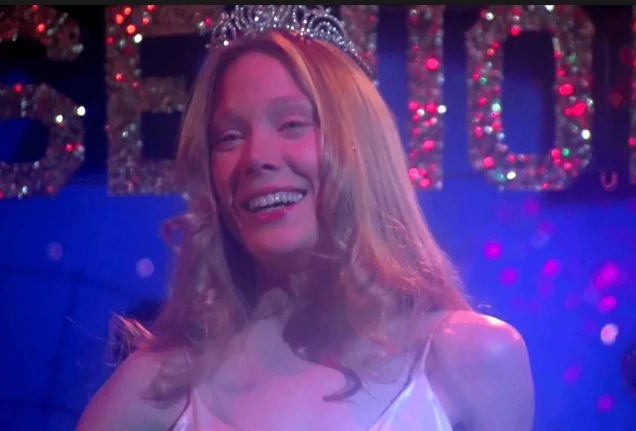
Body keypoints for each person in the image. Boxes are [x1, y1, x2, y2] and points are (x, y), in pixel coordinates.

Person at [76, 5, 534, 431]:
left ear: (361, 147)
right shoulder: (157, 391)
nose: (256, 157)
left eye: (292, 124)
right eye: (229, 137)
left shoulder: (472, 361)